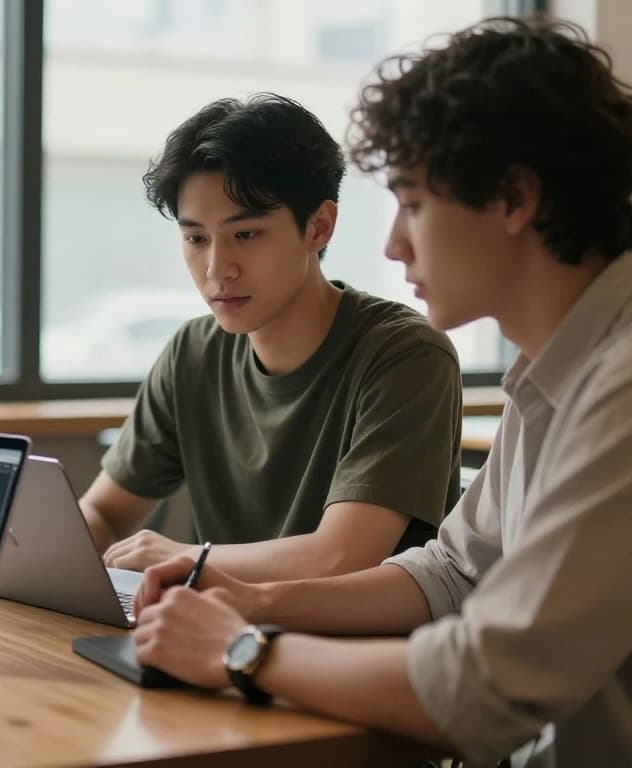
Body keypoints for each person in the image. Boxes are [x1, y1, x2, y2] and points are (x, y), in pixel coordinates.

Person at [131, 17, 632, 767]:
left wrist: (241, 650)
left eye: (415, 204)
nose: (394, 243)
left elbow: (484, 684)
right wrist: (250, 601)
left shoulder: (620, 383)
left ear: (514, 198)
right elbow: (452, 571)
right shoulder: (553, 371)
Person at [82, 93, 462, 580]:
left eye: (246, 235)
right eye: (196, 239)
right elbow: (106, 514)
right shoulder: (193, 353)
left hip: (349, 649)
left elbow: (343, 557)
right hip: (207, 631)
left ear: (319, 227)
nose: (218, 270)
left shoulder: (405, 355)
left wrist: (186, 559)